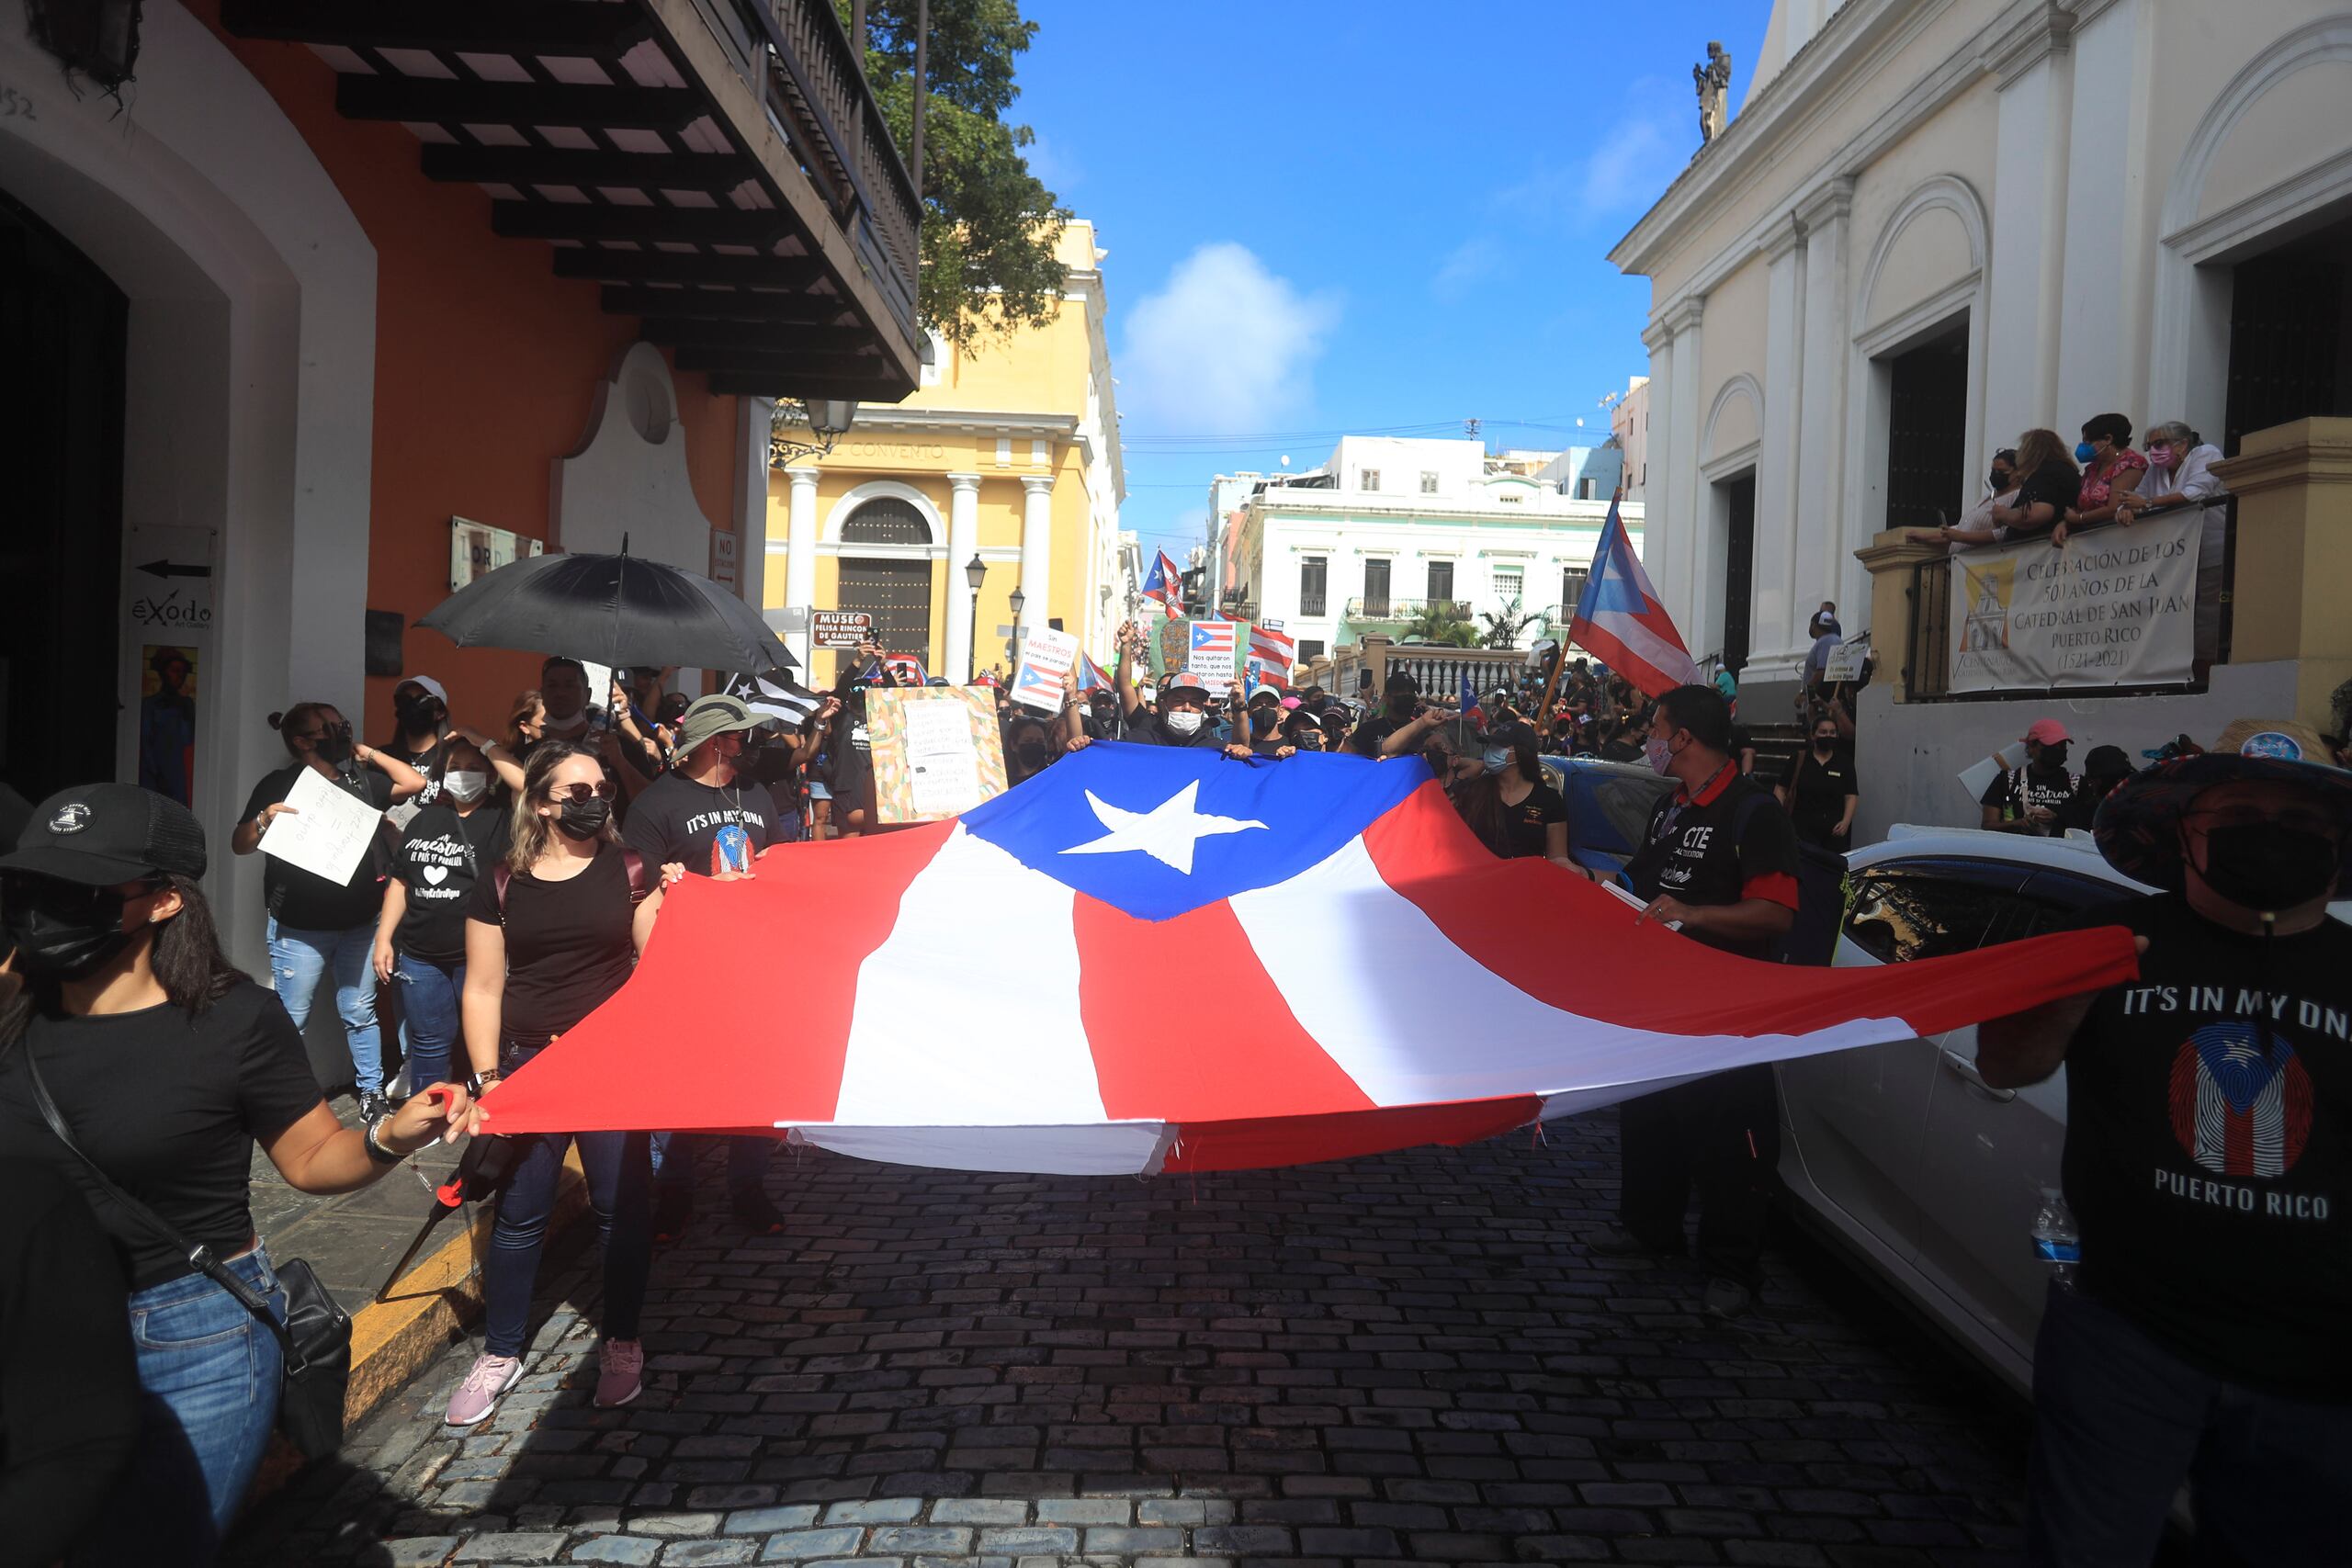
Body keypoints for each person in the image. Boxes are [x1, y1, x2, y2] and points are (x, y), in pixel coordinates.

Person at [0, 784, 481, 1560]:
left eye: (75, 889)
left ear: (161, 901)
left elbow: (311, 1157)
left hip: (186, 1339)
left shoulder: (234, 1020)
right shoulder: (11, 1010)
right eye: (27, 885)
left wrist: (390, 1135)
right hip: (32, 1328)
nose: (40, 906)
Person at [1974, 718, 2351, 1566]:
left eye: (2300, 824)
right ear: (2185, 829)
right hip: (2127, 1334)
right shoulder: (2107, 937)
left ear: (2335, 843)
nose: (2271, 835)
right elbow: (2005, 1061)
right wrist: (2066, 995)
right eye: (2241, 812)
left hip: (2322, 1368)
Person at [450, 741, 674, 1427]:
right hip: (528, 1063)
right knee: (519, 1216)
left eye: (602, 786)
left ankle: (621, 1341)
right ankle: (502, 1351)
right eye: (576, 791)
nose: (595, 799)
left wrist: (683, 899)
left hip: (609, 1066)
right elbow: (484, 986)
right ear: (542, 801)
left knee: (620, 1209)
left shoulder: (630, 869)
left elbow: (663, 963)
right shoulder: (500, 881)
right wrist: (489, 1081)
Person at [1588, 685, 1800, 1320]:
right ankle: (1650, 1228)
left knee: (1731, 1137)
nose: (1649, 735)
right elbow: (1640, 879)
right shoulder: (1671, 806)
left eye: (1657, 725)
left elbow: (1777, 912)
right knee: (1652, 1118)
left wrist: (1694, 913)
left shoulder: (1754, 812)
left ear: (1682, 737)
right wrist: (1591, 885)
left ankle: (1733, 1267)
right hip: (1663, 1003)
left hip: (1729, 1012)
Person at [618, 695, 788, 1240]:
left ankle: (748, 1186)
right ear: (720, 742)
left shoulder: (757, 795)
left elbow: (778, 866)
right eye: (742, 736)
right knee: (680, 1084)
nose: (749, 744)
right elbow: (635, 890)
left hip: (753, 965)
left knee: (756, 1082)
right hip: (684, 968)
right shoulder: (655, 804)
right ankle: (674, 1191)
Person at [232, 702, 429, 1120]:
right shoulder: (280, 784)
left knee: (360, 1011)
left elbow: (412, 782)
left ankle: (371, 1093)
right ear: (302, 741)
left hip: (360, 922)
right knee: (291, 1018)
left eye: (342, 724)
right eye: (332, 727)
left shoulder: (360, 781)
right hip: (300, 927)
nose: (341, 730)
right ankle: (280, 1100)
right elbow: (240, 843)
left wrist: (366, 751)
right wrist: (265, 820)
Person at [374, 738, 510, 1097]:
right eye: (455, 768)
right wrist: (384, 937)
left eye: (474, 768)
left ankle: (486, 1109)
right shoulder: (425, 819)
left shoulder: (502, 819)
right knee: (429, 1039)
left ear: (490, 774)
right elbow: (402, 880)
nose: (463, 775)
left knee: (483, 1040)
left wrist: (483, 739)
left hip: (476, 956)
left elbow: (527, 784)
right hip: (420, 955)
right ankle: (428, 1113)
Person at [2122, 419, 2230, 674]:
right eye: (2149, 446)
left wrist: (2146, 504)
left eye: (2159, 444)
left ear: (2182, 444)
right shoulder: (2156, 470)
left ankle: (2206, 668)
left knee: (2207, 613)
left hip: (2211, 547)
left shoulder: (2205, 454)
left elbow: (2195, 493)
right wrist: (2124, 510)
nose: (2153, 451)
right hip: (2174, 557)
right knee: (2175, 612)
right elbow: (2137, 495)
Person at [1450, 720, 1585, 872]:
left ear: (1521, 753)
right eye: (1490, 745)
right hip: (1477, 884)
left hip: (1524, 887)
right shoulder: (1473, 791)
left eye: (1499, 746)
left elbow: (1558, 860)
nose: (1490, 750)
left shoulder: (1549, 801)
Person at [2051, 412, 2147, 547]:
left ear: (2108, 439)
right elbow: (2082, 506)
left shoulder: (2130, 464)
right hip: (2089, 543)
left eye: (2088, 442)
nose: (2083, 446)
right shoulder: (2093, 468)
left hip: (2116, 542)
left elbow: (2114, 507)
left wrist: (2078, 519)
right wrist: (2066, 523)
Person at [1777, 709, 1860, 852]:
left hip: (1833, 832)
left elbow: (1851, 795)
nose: (1828, 736)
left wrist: (1846, 822)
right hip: (1801, 831)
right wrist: (1780, 815)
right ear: (1813, 735)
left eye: (1832, 732)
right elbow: (1781, 788)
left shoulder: (1844, 763)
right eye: (1823, 732)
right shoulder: (1799, 759)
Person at [1981, 718, 2079, 836]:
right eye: (2051, 745)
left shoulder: (2076, 783)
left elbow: (2088, 825)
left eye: (2062, 745)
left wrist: (2057, 818)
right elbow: (1988, 825)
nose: (2058, 749)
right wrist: (2017, 824)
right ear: (2032, 747)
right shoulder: (2007, 780)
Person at [1909, 448, 2020, 550]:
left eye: (2000, 472)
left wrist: (1961, 537)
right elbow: (1961, 530)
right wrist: (1922, 536)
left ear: (2017, 472)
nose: (1995, 475)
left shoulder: (2016, 496)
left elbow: (2004, 533)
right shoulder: (1987, 497)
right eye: (1993, 470)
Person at [1994, 428, 2081, 542]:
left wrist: (2003, 514)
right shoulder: (2067, 471)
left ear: (2029, 451)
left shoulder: (2045, 474)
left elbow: (2034, 515)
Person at [2055, 743, 2133, 834]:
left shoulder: (2140, 814)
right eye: (2111, 779)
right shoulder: (2073, 817)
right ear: (2091, 781)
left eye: (2124, 778)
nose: (2120, 784)